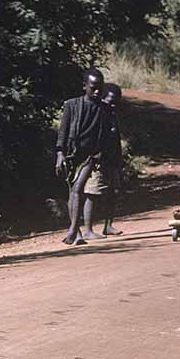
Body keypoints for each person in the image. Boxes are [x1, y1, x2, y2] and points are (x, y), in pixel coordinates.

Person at [56, 68, 111, 244]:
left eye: (100, 88)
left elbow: (106, 136)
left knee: (78, 189)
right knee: (72, 191)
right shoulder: (72, 105)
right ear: (84, 86)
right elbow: (63, 132)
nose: (97, 91)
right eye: (93, 87)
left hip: (91, 157)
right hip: (72, 155)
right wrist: (60, 153)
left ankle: (73, 230)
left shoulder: (104, 109)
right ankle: (76, 231)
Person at [98, 83, 125, 236]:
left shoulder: (113, 114)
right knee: (93, 194)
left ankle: (108, 224)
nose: (114, 104)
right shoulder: (99, 114)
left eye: (116, 101)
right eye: (111, 100)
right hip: (100, 159)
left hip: (113, 160)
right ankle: (85, 228)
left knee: (114, 192)